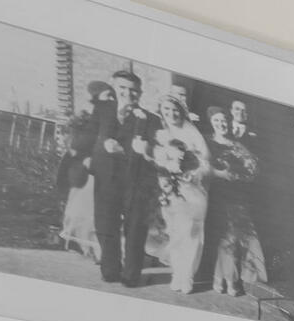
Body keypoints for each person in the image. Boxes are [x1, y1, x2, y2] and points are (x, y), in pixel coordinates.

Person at [88, 69, 159, 286]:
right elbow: (87, 138)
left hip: (138, 183)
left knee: (136, 228)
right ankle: (110, 270)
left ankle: (131, 275)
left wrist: (148, 148)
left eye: (134, 90)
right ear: (113, 89)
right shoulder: (100, 112)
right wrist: (103, 145)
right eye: (122, 88)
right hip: (106, 180)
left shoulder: (151, 119)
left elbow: (159, 151)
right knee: (106, 225)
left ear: (140, 93)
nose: (128, 93)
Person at [149, 92, 213, 294]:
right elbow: (156, 160)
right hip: (169, 190)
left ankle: (187, 277)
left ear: (182, 112)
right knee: (175, 233)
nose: (171, 113)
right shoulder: (160, 135)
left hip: (192, 190)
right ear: (161, 111)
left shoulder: (193, 135)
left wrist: (193, 174)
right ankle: (177, 273)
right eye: (167, 109)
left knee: (191, 233)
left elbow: (206, 164)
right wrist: (166, 169)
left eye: (175, 110)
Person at [199, 105, 265, 298]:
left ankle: (225, 278)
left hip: (236, 196)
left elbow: (252, 170)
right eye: (217, 121)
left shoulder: (238, 145)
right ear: (212, 123)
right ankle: (226, 279)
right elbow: (200, 167)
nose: (221, 124)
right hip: (214, 194)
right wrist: (220, 173)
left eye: (224, 120)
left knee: (234, 238)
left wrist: (238, 175)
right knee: (223, 237)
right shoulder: (206, 142)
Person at [57, 81, 112, 264]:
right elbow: (79, 144)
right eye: (106, 96)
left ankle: (100, 250)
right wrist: (86, 156)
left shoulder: (110, 115)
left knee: (102, 213)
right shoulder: (89, 117)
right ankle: (93, 249)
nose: (111, 99)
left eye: (112, 96)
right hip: (88, 172)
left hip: (103, 168)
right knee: (87, 213)